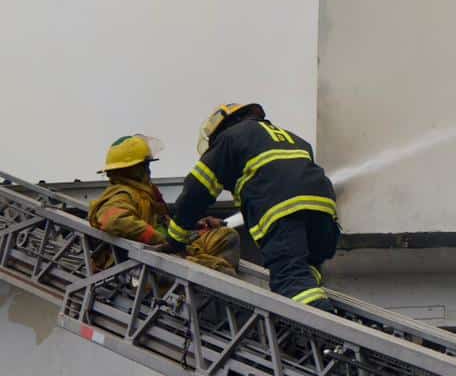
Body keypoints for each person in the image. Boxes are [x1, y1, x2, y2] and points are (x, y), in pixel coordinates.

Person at [171, 103, 340, 312]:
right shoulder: (292, 138)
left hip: (284, 212)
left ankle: (319, 332)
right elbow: (279, 181)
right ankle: (319, 311)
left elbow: (196, 190)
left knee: (289, 277)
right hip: (323, 212)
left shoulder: (230, 138)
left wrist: (176, 236)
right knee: (305, 270)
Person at [87, 134, 240, 275]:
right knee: (221, 271)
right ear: (129, 170)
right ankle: (202, 295)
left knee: (226, 236)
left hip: (169, 252)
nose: (148, 170)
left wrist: (196, 225)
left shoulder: (145, 194)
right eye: (143, 166)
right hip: (149, 263)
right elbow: (113, 221)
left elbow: (163, 223)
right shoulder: (122, 194)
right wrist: (160, 239)